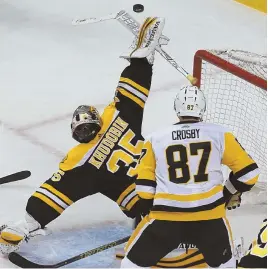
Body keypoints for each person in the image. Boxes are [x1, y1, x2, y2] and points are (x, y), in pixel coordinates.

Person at [0, 16, 166, 254]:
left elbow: (55, 194)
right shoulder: (117, 114)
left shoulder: (78, 160)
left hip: (135, 188)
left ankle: (163, 225)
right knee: (150, 205)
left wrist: (26, 223)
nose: (84, 133)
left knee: (146, 209)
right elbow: (132, 88)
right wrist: (142, 60)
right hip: (154, 179)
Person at [121, 85, 260, 268]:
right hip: (210, 220)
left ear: (176, 108)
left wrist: (149, 209)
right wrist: (226, 194)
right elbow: (249, 174)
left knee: (130, 265)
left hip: (166, 220)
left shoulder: (155, 138)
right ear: (202, 108)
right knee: (225, 265)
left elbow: (145, 189)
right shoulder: (219, 134)